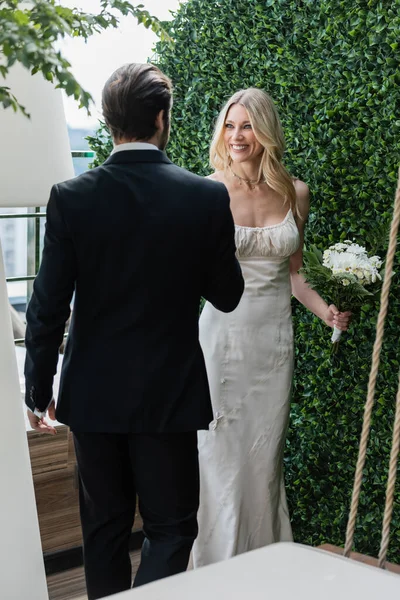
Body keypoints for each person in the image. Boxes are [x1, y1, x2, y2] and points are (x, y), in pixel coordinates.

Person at [24, 63, 244, 599]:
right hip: (167, 395)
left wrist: (37, 389)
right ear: (162, 119)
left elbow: (46, 307)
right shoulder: (204, 197)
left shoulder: (70, 196)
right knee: (171, 528)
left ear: (108, 122)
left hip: (92, 395)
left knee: (103, 531)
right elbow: (229, 295)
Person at [192, 88, 351, 568]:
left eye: (247, 126)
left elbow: (294, 275)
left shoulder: (293, 192)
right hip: (221, 339)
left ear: (265, 132)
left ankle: (263, 565)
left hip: (273, 340)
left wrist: (326, 311)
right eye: (230, 125)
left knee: (263, 460)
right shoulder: (206, 190)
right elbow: (187, 272)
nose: (237, 136)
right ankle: (214, 568)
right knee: (219, 456)